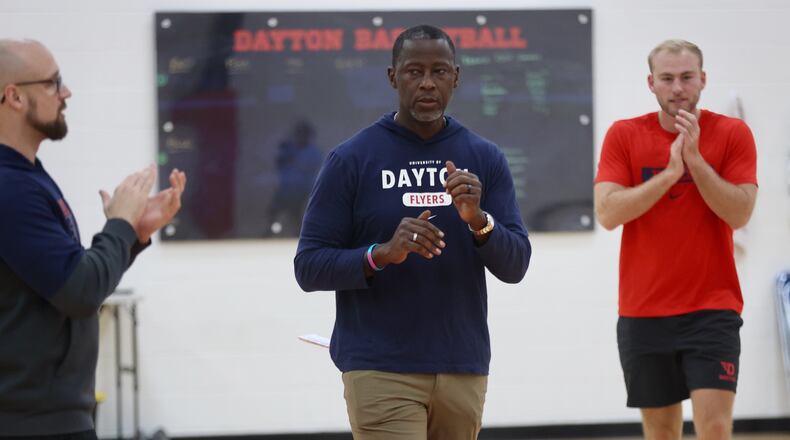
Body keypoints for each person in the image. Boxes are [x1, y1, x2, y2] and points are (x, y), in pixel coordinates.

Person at [294, 25, 531, 440]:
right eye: (413, 71)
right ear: (392, 77)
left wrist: (478, 220)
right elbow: (309, 266)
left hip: (462, 366)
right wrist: (381, 253)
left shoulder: (484, 158)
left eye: (439, 71)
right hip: (380, 367)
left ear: (456, 77)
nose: (426, 82)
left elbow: (516, 266)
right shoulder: (351, 159)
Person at [0, 39, 186, 438]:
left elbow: (77, 280)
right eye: (52, 83)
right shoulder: (10, 188)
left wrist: (133, 231)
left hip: (51, 416)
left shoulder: (28, 176)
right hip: (29, 423)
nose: (66, 93)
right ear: (13, 96)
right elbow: (81, 292)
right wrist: (119, 223)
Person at [594, 39, 757, 439]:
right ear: (651, 83)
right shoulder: (624, 135)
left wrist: (696, 161)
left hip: (712, 309)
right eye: (667, 78)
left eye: (687, 77)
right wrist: (668, 173)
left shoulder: (732, 133)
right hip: (644, 312)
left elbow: (739, 212)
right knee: (662, 431)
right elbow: (608, 213)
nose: (678, 88)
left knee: (715, 428)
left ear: (703, 79)